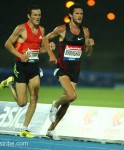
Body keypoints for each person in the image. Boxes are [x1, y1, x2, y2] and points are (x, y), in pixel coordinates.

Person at [0, 5, 56, 138]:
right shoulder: (20, 29)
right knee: (22, 103)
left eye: (39, 15)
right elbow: (7, 44)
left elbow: (37, 49)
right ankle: (10, 83)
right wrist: (19, 55)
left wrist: (49, 49)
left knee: (35, 97)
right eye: (35, 15)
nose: (37, 18)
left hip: (34, 67)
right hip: (21, 67)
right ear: (29, 16)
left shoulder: (42, 30)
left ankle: (25, 129)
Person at [43, 3, 95, 140]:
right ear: (71, 15)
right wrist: (51, 55)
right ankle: (55, 103)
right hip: (62, 69)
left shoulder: (85, 31)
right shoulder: (61, 29)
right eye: (77, 13)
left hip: (75, 71)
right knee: (72, 96)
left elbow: (88, 52)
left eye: (81, 14)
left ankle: (50, 130)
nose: (80, 16)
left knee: (67, 103)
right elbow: (44, 39)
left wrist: (89, 45)